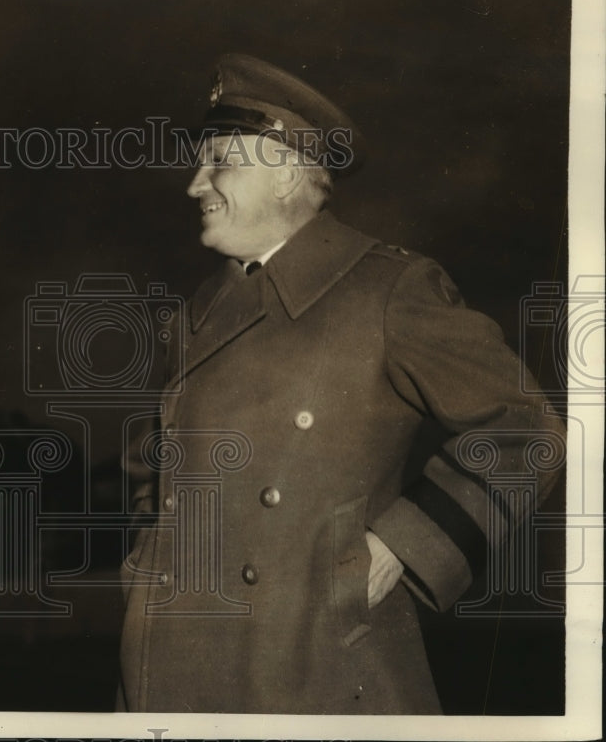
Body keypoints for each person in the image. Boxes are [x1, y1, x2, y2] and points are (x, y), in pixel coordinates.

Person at [117, 53, 566, 714]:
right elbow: (154, 475)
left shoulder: (388, 290)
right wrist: (145, 574)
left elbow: (527, 428)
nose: (195, 185)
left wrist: (402, 545)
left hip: (314, 671)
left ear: (285, 174)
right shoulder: (196, 314)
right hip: (168, 670)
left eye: (220, 162)